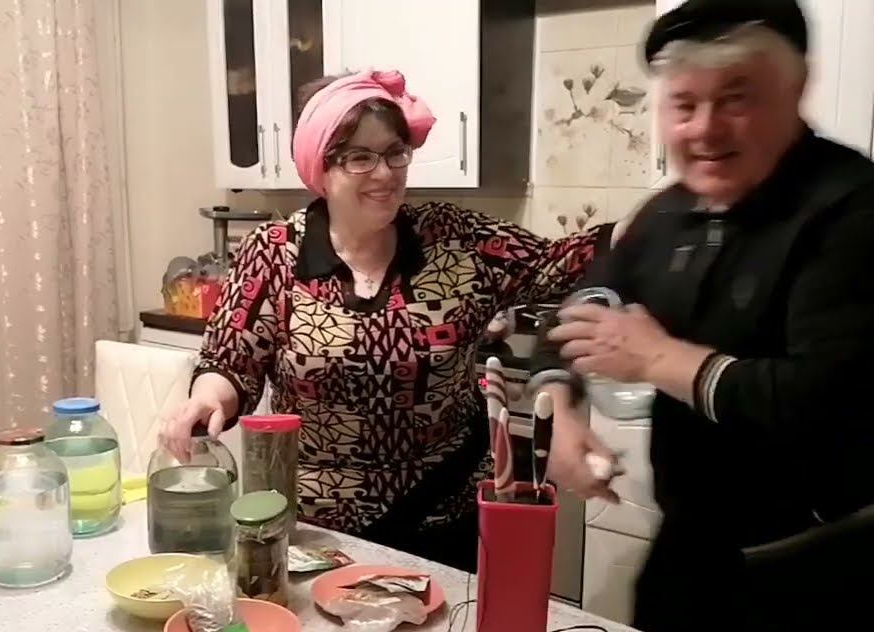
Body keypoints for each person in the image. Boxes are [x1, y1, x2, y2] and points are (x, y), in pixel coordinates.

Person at [532, 0, 874, 632]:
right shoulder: (670, 210)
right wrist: (562, 413)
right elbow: (580, 310)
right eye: (684, 105)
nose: (704, 129)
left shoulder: (861, 212)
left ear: (795, 90)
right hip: (691, 548)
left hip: (814, 565)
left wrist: (661, 359)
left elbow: (822, 401)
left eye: (736, 99)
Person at [159, 68, 615, 570]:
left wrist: (662, 209)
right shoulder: (273, 252)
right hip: (321, 536)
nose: (384, 173)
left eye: (395, 152)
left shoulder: (456, 239)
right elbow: (230, 361)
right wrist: (206, 399)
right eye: (359, 157)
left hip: (446, 518)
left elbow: (567, 261)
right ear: (320, 168)